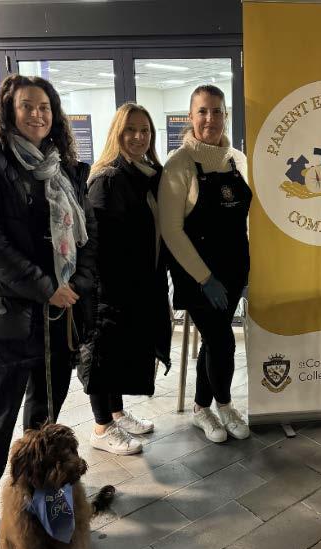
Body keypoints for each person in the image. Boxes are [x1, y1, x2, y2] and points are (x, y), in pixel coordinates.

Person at [0, 74, 97, 549]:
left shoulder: (67, 168)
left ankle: (40, 494)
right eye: (26, 106)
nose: (37, 114)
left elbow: (88, 235)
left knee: (44, 414)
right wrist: (45, 288)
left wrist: (76, 285)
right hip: (4, 315)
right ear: (8, 110)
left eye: (44, 107)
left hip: (57, 314)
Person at [159, 84, 251, 443]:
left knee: (214, 340)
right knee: (223, 341)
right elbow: (171, 229)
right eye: (202, 111)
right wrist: (204, 277)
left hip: (233, 272)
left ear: (225, 115)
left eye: (216, 111)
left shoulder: (238, 160)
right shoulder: (179, 164)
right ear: (190, 116)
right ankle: (224, 405)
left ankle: (201, 408)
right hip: (197, 276)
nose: (210, 118)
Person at [79, 103, 171, 455]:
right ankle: (102, 427)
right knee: (103, 355)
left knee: (119, 354)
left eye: (144, 130)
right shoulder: (108, 179)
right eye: (130, 129)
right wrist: (107, 290)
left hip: (138, 285)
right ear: (117, 133)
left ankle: (116, 413)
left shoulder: (147, 174)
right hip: (111, 288)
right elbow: (97, 244)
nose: (138, 136)